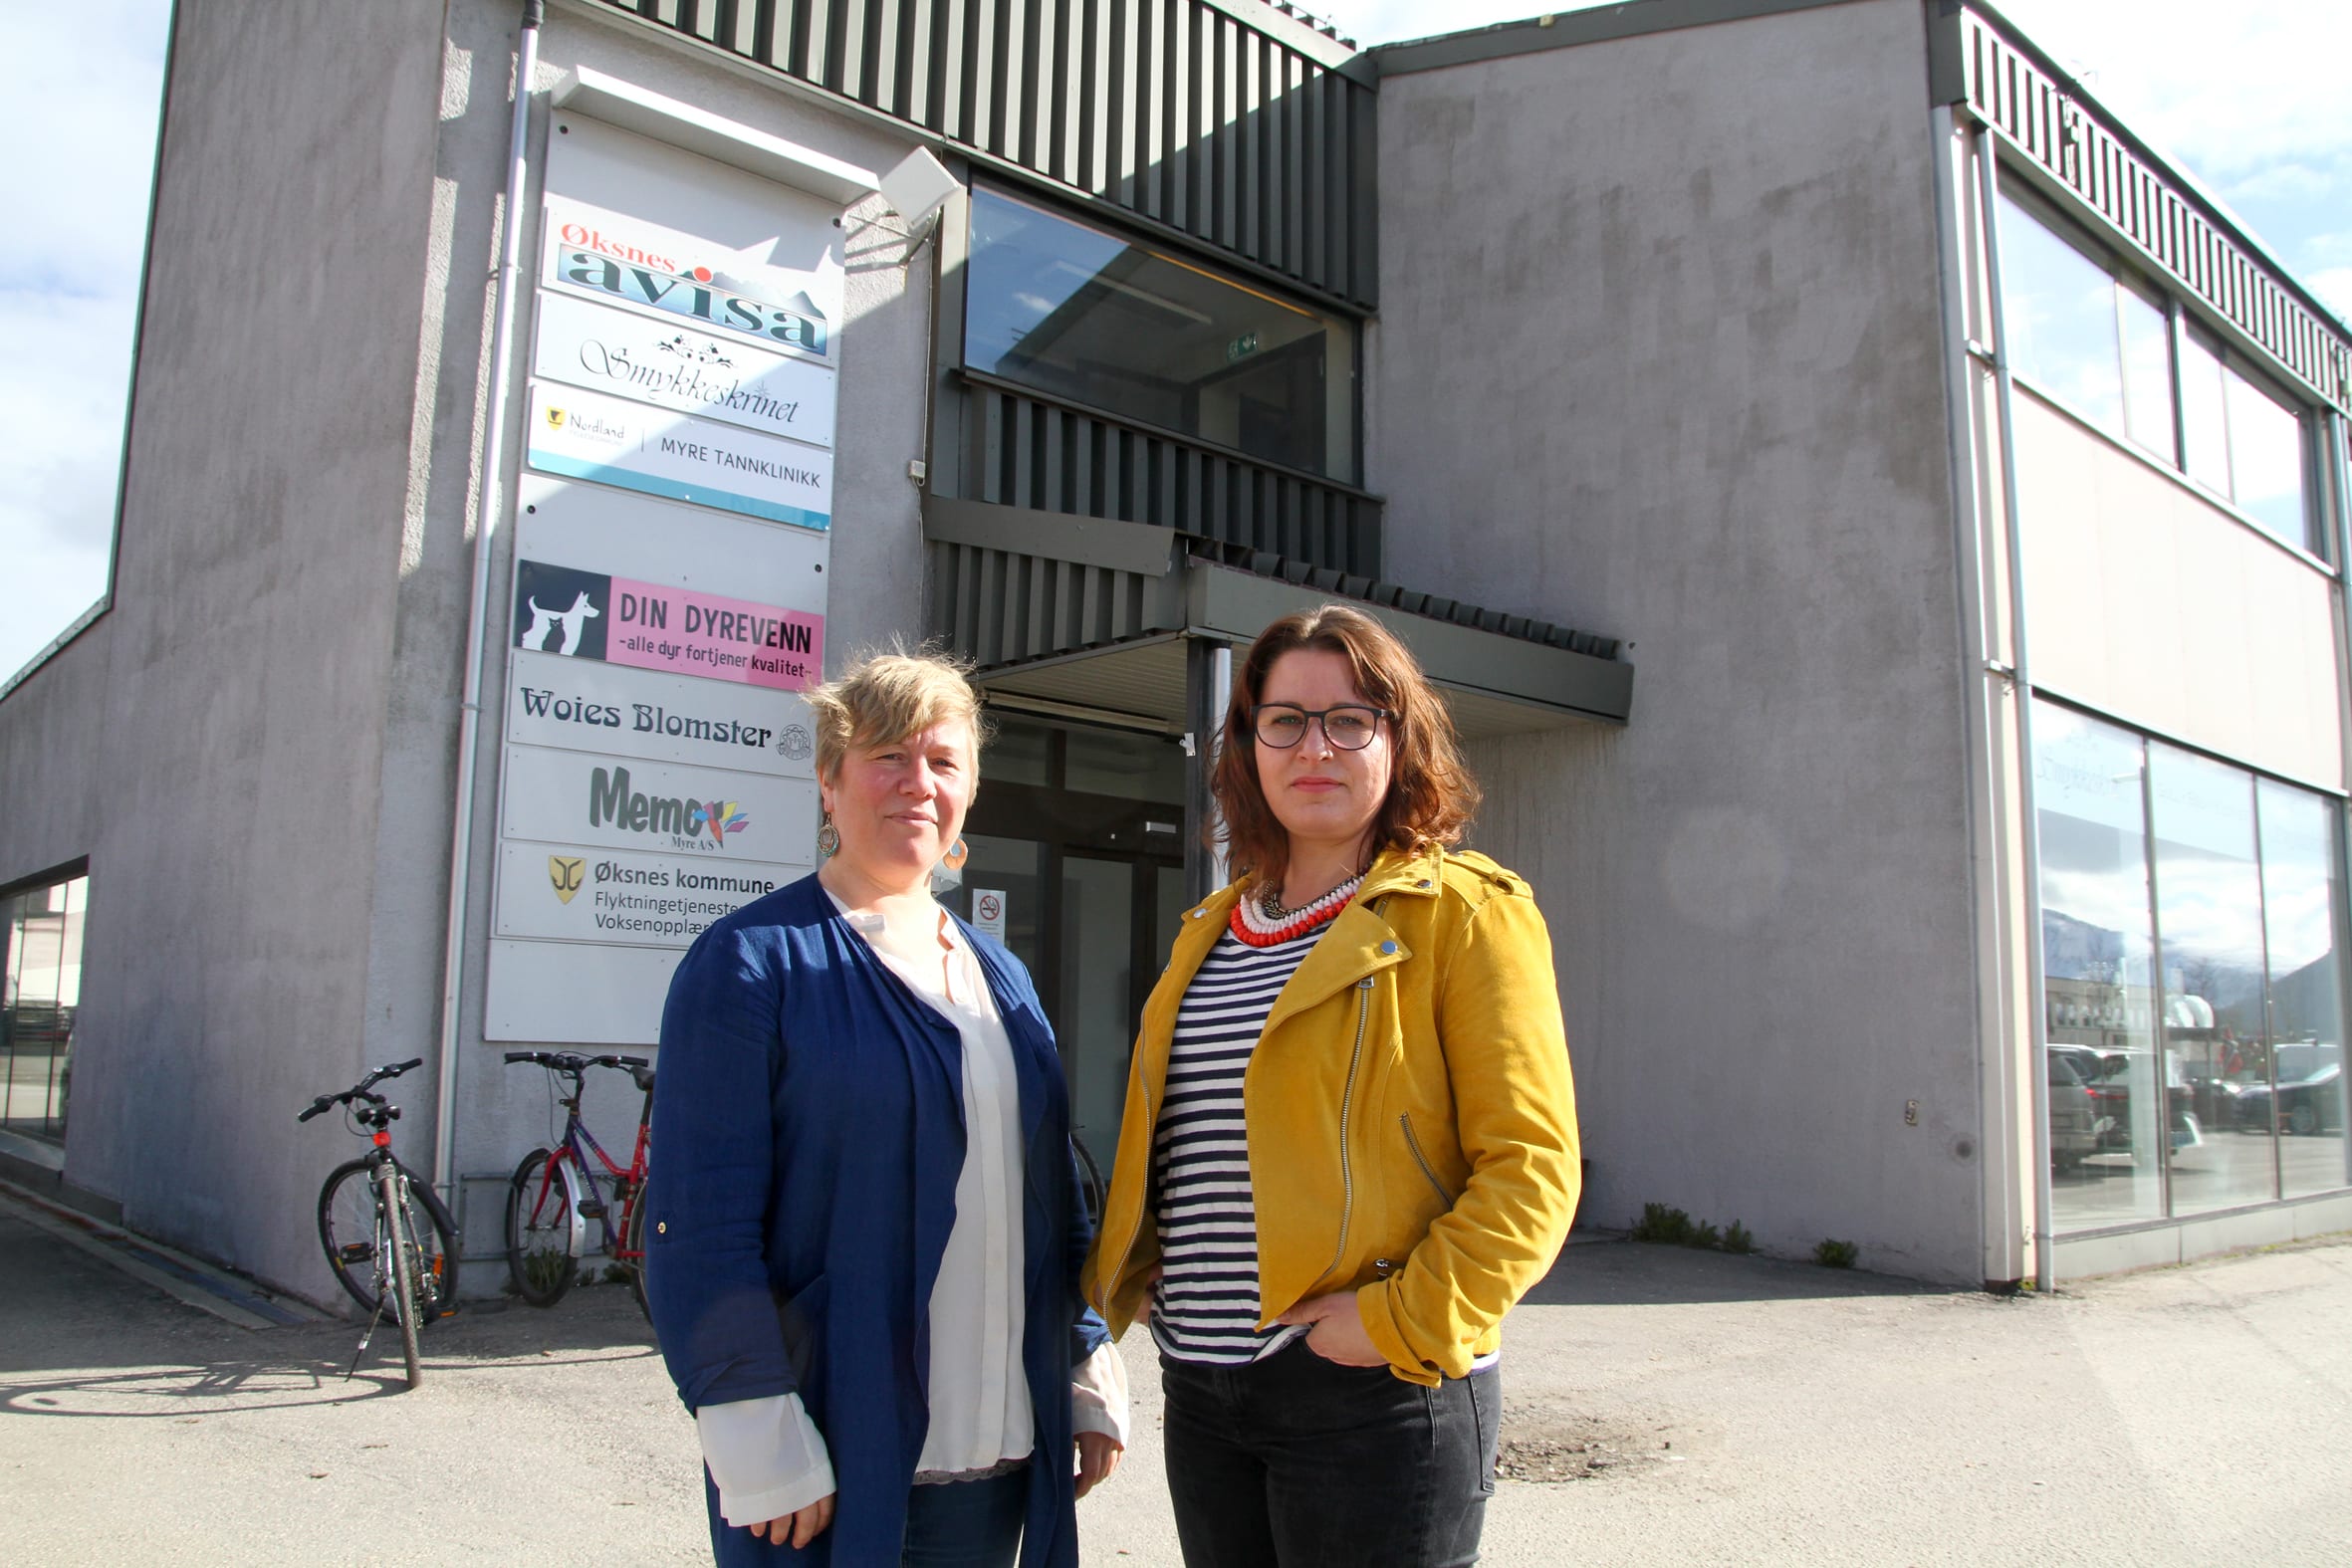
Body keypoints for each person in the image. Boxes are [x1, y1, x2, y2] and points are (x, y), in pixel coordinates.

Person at [1082, 604, 1581, 1567]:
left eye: (1350, 719)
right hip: (1202, 1389)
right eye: (1285, 720)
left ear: (1399, 738)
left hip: (1374, 1394)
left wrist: (1391, 1323)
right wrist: (1134, 1273)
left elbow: (1532, 1171)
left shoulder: (1465, 914)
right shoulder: (1209, 931)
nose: (1316, 747)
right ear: (1249, 745)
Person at [644, 649, 1127, 1567]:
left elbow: (1049, 1195)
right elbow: (699, 1225)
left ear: (970, 790)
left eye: (943, 761)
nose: (918, 782)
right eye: (888, 756)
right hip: (827, 1467)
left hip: (995, 1464)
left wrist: (1080, 1360)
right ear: (829, 781)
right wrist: (754, 1421)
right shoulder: (751, 964)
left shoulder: (1000, 975)